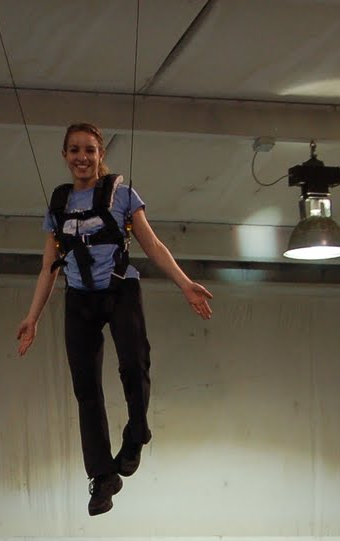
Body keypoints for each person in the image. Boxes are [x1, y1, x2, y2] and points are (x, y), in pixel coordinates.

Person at [16, 122, 214, 516]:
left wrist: (185, 283)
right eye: (74, 151)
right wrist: (32, 317)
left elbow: (152, 244)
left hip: (120, 289)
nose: (82, 158)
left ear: (100, 154)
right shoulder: (58, 204)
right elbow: (48, 267)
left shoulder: (121, 194)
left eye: (89, 150)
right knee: (85, 389)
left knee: (133, 364)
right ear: (64, 156)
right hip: (79, 299)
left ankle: (137, 430)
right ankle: (103, 477)